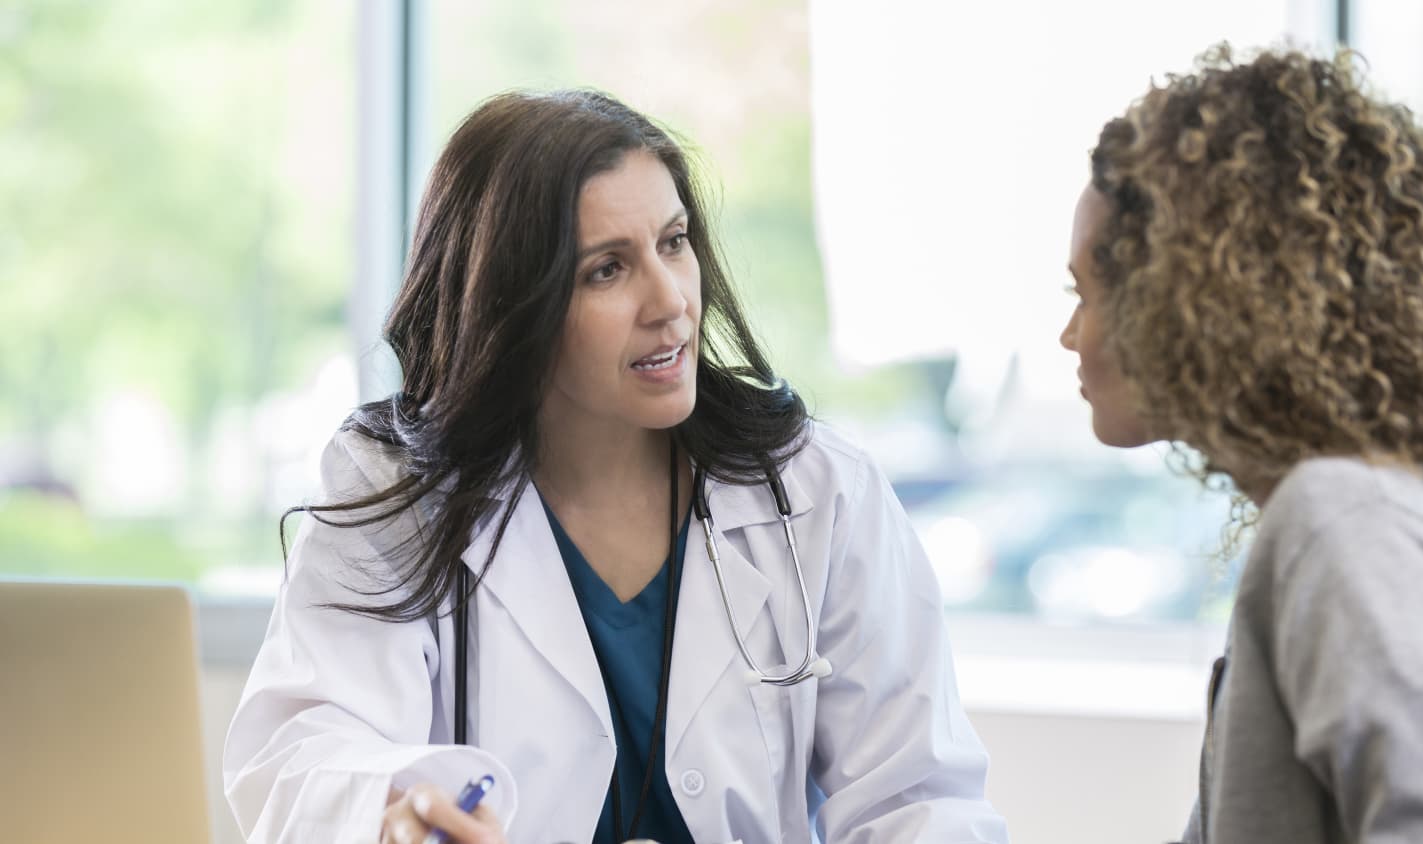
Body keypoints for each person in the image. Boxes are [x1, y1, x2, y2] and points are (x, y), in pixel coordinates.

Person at [223, 89, 1009, 844]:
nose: (670, 300)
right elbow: (302, 751)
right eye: (607, 269)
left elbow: (917, 799)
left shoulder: (815, 493)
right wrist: (392, 803)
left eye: (674, 242)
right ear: (509, 307)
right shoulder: (399, 494)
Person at [1061, 45, 1423, 843]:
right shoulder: (1381, 505)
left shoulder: (1344, 521)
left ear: (1187, 297)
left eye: (1086, 292)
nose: (1069, 335)